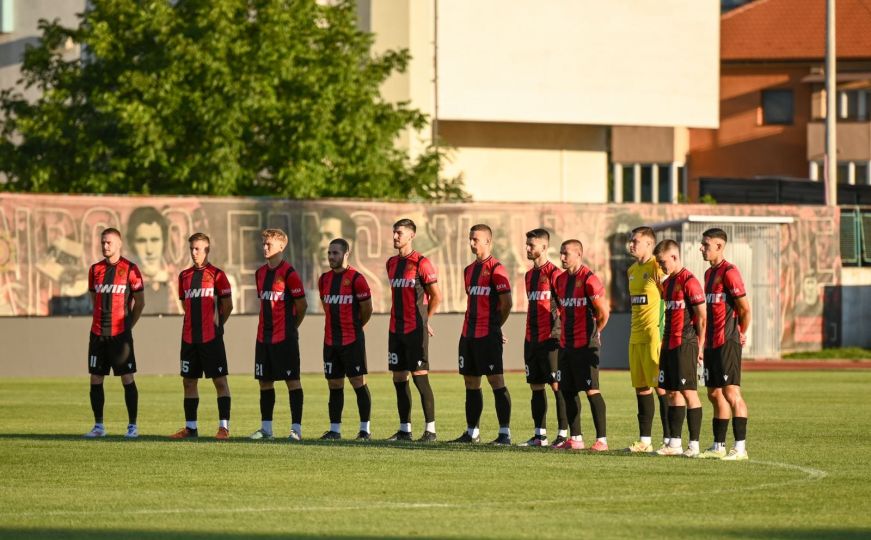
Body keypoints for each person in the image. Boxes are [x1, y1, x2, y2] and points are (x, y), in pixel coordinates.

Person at [451, 224, 513, 445]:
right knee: (470, 383)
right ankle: (471, 432)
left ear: (488, 241)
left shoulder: (497, 269)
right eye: (470, 239)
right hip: (468, 334)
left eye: (475, 239)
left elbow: (507, 304)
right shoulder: (468, 270)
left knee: (496, 381)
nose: (471, 243)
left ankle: (504, 433)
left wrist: (496, 326)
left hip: (488, 335)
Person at [169, 233, 234, 440]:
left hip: (211, 338)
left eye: (198, 249)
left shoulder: (217, 275)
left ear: (207, 250)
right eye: (192, 249)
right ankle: (191, 428)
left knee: (219, 382)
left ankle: (223, 427)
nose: (195, 253)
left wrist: (216, 325)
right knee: (189, 382)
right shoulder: (184, 276)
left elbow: (228, 305)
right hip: (189, 338)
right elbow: (184, 304)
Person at [84, 228, 145, 438]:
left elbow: (140, 303)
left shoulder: (130, 269)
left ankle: (132, 427)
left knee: (127, 378)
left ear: (119, 244)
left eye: (109, 243)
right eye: (103, 243)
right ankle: (99, 426)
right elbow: (95, 298)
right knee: (96, 379)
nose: (105, 246)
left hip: (120, 336)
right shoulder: (95, 270)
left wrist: (128, 326)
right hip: (98, 334)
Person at [385, 218, 442, 442]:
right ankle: (404, 430)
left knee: (420, 378)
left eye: (399, 233)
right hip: (395, 330)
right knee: (399, 379)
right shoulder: (391, 263)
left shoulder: (421, 263)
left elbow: (436, 296)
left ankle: (430, 430)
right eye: (394, 232)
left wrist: (425, 320)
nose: (395, 236)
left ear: (411, 235)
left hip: (414, 331)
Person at [698, 228, 752, 461]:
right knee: (713, 393)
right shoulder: (709, 274)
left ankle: (740, 448)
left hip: (727, 341)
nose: (702, 248)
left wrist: (741, 332)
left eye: (706, 245)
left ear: (719, 246)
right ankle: (718, 445)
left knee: (732, 393)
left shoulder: (730, 272)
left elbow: (745, 309)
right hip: (711, 343)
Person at [552, 240, 610, 451]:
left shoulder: (589, 280)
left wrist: (596, 333)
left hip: (586, 344)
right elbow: (562, 309)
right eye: (561, 253)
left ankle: (602, 440)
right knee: (566, 390)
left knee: (591, 389)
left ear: (579, 254)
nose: (562, 257)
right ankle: (575, 438)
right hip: (566, 344)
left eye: (566, 253)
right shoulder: (560, 280)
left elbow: (603, 312)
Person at [249, 229, 308, 441]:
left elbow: (302, 305)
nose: (265, 247)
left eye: (269, 244)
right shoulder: (260, 274)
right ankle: (266, 429)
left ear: (281, 246)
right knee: (265, 382)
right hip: (263, 338)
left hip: (285, 338)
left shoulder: (290, 274)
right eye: (264, 243)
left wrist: (292, 327)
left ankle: (296, 430)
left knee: (292, 381)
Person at [653, 239, 707, 457]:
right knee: (671, 392)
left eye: (662, 262)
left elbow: (702, 318)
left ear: (674, 257)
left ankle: (693, 445)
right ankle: (674, 443)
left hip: (686, 343)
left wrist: (700, 348)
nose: (661, 266)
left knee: (689, 393)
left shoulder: (690, 281)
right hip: (669, 344)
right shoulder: (668, 283)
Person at [318, 238, 374, 440]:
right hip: (330, 341)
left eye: (335, 253)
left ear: (346, 254)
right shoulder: (324, 279)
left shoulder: (357, 279)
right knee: (334, 385)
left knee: (358, 382)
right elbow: (326, 304)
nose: (331, 257)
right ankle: (335, 430)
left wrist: (356, 327)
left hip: (352, 340)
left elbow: (367, 309)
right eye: (329, 253)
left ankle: (365, 430)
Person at [624, 226, 671, 453]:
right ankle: (644, 440)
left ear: (649, 244)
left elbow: (670, 299)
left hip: (655, 336)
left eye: (635, 241)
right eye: (631, 241)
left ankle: (670, 440)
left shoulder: (657, 268)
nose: (631, 245)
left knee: (661, 388)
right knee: (641, 388)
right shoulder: (632, 270)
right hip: (636, 337)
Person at [519, 228, 568, 447]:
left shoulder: (556, 275)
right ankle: (540, 435)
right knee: (536, 386)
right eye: (527, 244)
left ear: (545, 247)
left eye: (532, 245)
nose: (528, 248)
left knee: (557, 385)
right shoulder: (529, 275)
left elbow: (565, 307)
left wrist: (561, 334)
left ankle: (563, 434)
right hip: (532, 339)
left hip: (551, 339)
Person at [126, 206, 177, 314]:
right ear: (132, 245)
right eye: (141, 241)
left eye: (155, 240)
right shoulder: (124, 284)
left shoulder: (178, 282)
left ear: (164, 241)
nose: (149, 250)